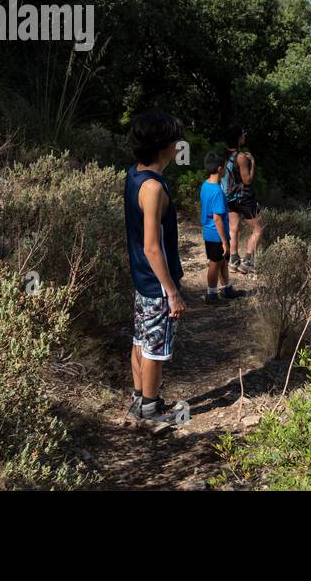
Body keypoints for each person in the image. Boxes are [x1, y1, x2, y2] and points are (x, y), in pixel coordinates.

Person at [124, 113, 187, 425]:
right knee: (155, 349)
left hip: (141, 278)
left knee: (140, 339)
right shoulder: (153, 188)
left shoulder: (134, 175)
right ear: (165, 147)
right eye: (176, 142)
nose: (179, 147)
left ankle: (139, 399)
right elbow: (152, 246)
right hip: (157, 282)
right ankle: (150, 408)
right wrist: (172, 292)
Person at [199, 150, 244, 303]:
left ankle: (226, 289)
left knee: (222, 261)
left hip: (210, 231)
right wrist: (225, 241)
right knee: (215, 262)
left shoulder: (206, 185)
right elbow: (217, 218)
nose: (226, 170)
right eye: (225, 167)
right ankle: (211, 294)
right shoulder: (217, 191)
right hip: (216, 234)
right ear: (220, 169)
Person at [221, 125, 264, 274]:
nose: (245, 137)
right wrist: (253, 163)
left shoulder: (223, 154)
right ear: (239, 138)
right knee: (258, 229)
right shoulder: (242, 157)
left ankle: (233, 261)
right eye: (243, 135)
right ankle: (247, 262)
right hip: (244, 198)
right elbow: (247, 180)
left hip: (229, 197)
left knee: (234, 228)